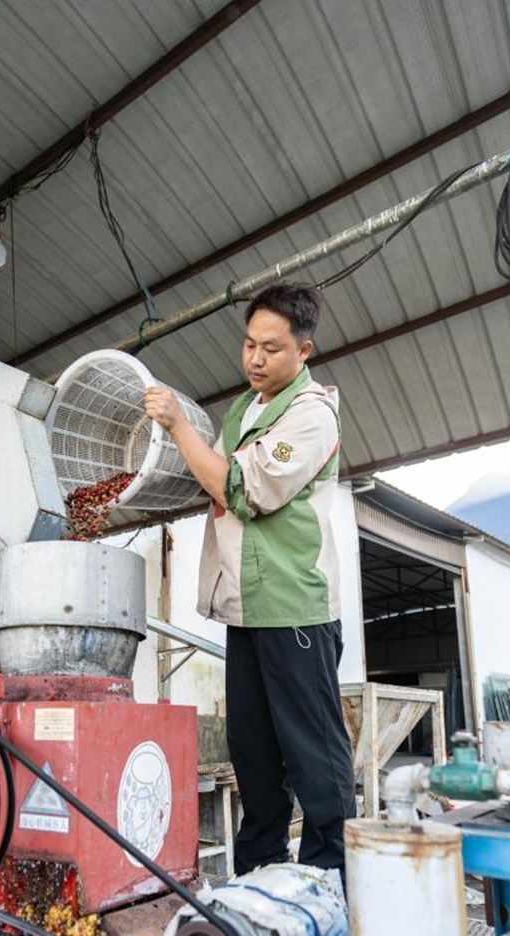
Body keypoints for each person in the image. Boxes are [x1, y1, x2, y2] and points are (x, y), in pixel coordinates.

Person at [143, 282, 356, 876]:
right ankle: (259, 875)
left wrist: (180, 426)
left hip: (296, 610)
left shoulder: (312, 415)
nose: (256, 360)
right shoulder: (244, 409)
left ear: (304, 352)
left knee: (313, 754)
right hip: (247, 609)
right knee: (255, 756)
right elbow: (207, 473)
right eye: (248, 345)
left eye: (271, 349)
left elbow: (243, 489)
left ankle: (329, 878)